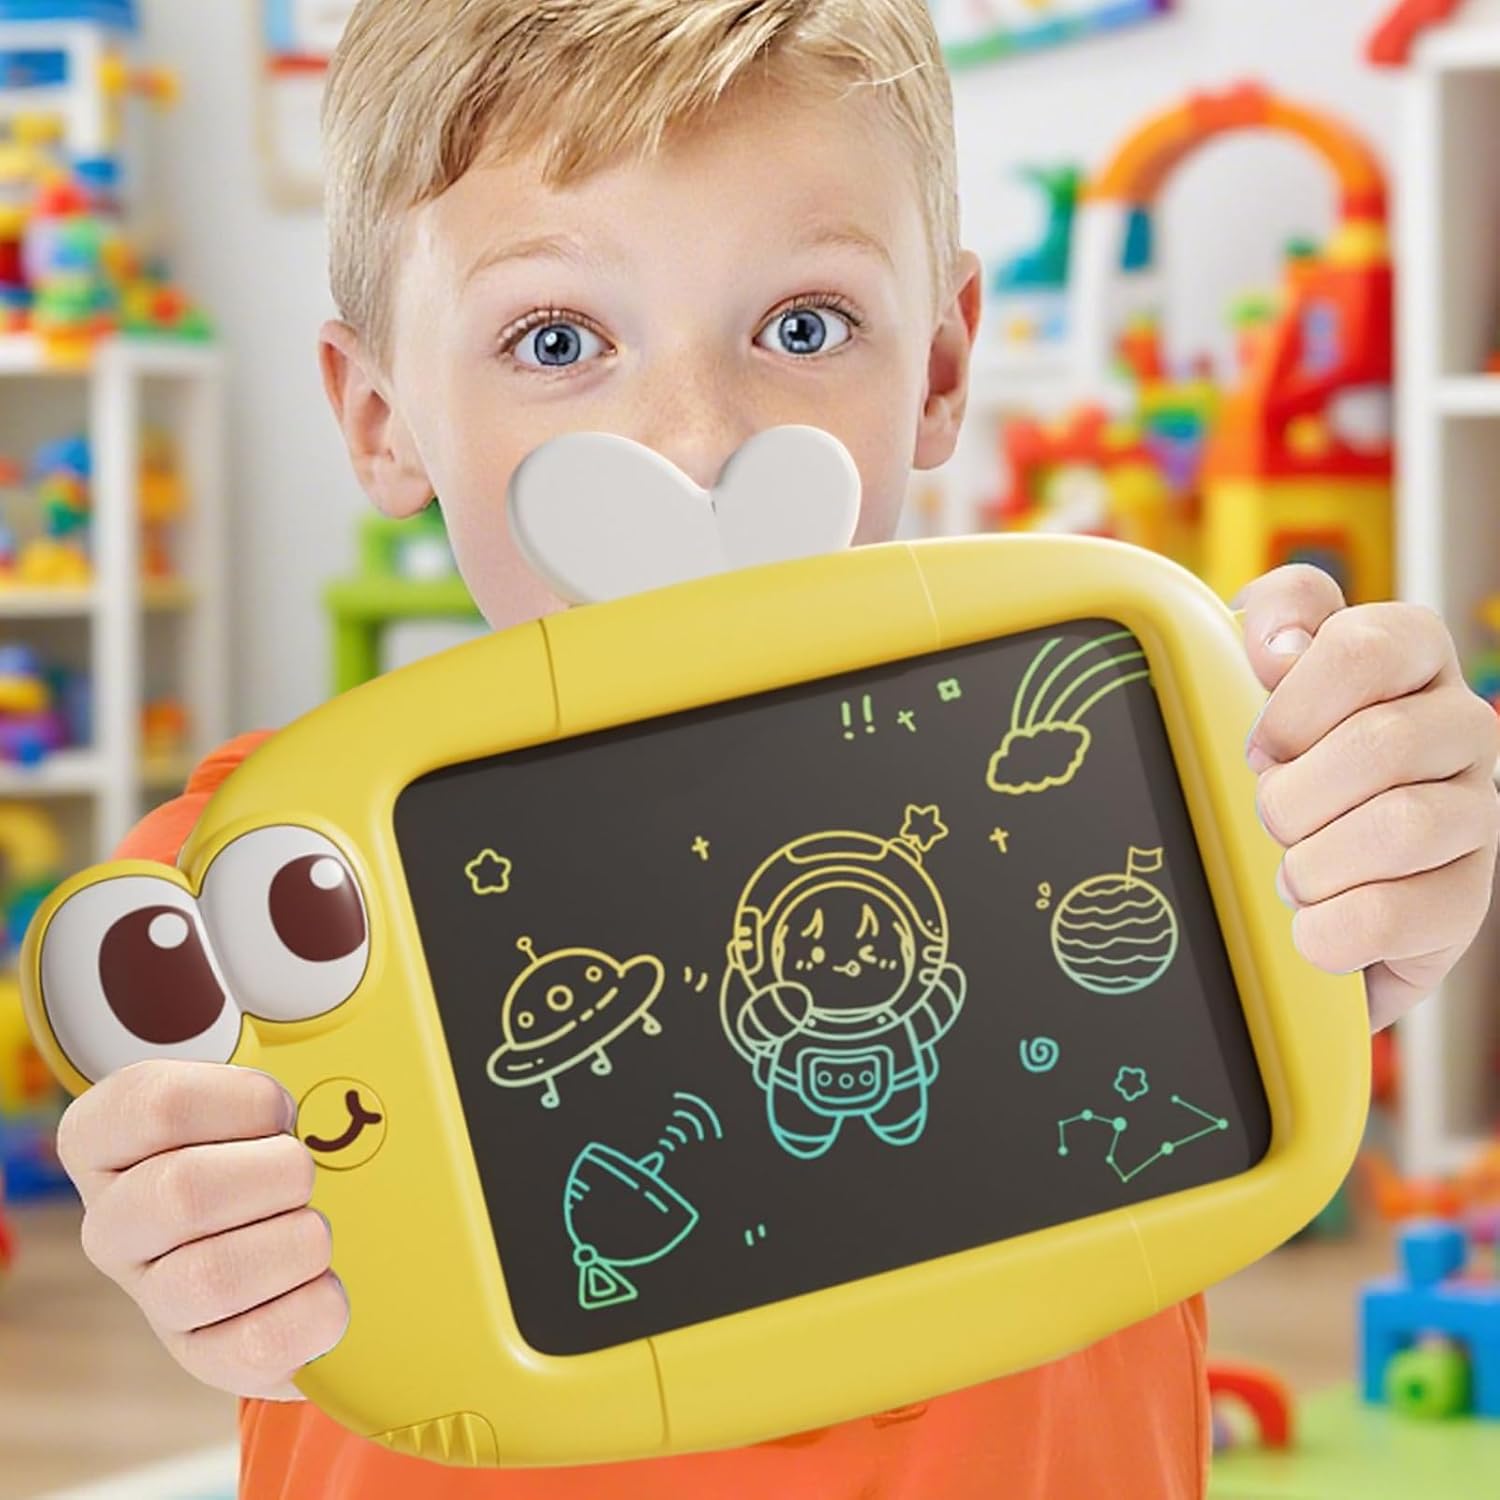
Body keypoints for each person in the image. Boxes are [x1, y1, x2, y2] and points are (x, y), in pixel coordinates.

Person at [53, 3, 1500, 1497]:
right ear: (380, 418)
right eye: (556, 341)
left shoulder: (1107, 776)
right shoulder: (252, 903)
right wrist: (204, 1240)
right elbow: (194, 1198)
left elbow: (1276, 980)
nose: (696, 443)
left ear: (939, 368)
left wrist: (1363, 871)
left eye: (804, 327)